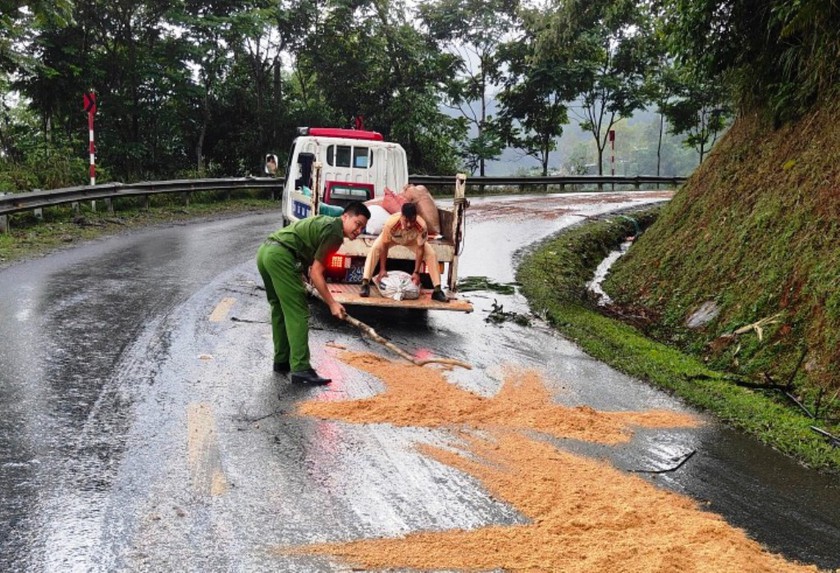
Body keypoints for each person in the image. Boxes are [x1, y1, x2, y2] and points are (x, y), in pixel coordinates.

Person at [257, 201, 371, 385]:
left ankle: (282, 361)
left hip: (266, 252)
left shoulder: (327, 222)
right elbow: (317, 273)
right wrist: (332, 303)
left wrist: (302, 273)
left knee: (279, 308)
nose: (358, 230)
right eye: (357, 224)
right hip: (281, 256)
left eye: (363, 228)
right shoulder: (335, 234)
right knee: (298, 312)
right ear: (345, 217)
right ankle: (301, 369)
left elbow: (307, 252)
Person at [359, 202, 448, 303]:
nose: (409, 224)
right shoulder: (391, 223)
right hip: (393, 239)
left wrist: (416, 272)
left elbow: (420, 249)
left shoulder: (421, 225)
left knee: (431, 254)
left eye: (412, 221)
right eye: (406, 221)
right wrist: (382, 269)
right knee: (374, 249)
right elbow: (385, 245)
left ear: (416, 217)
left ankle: (437, 290)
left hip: (412, 241)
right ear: (401, 216)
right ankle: (365, 283)